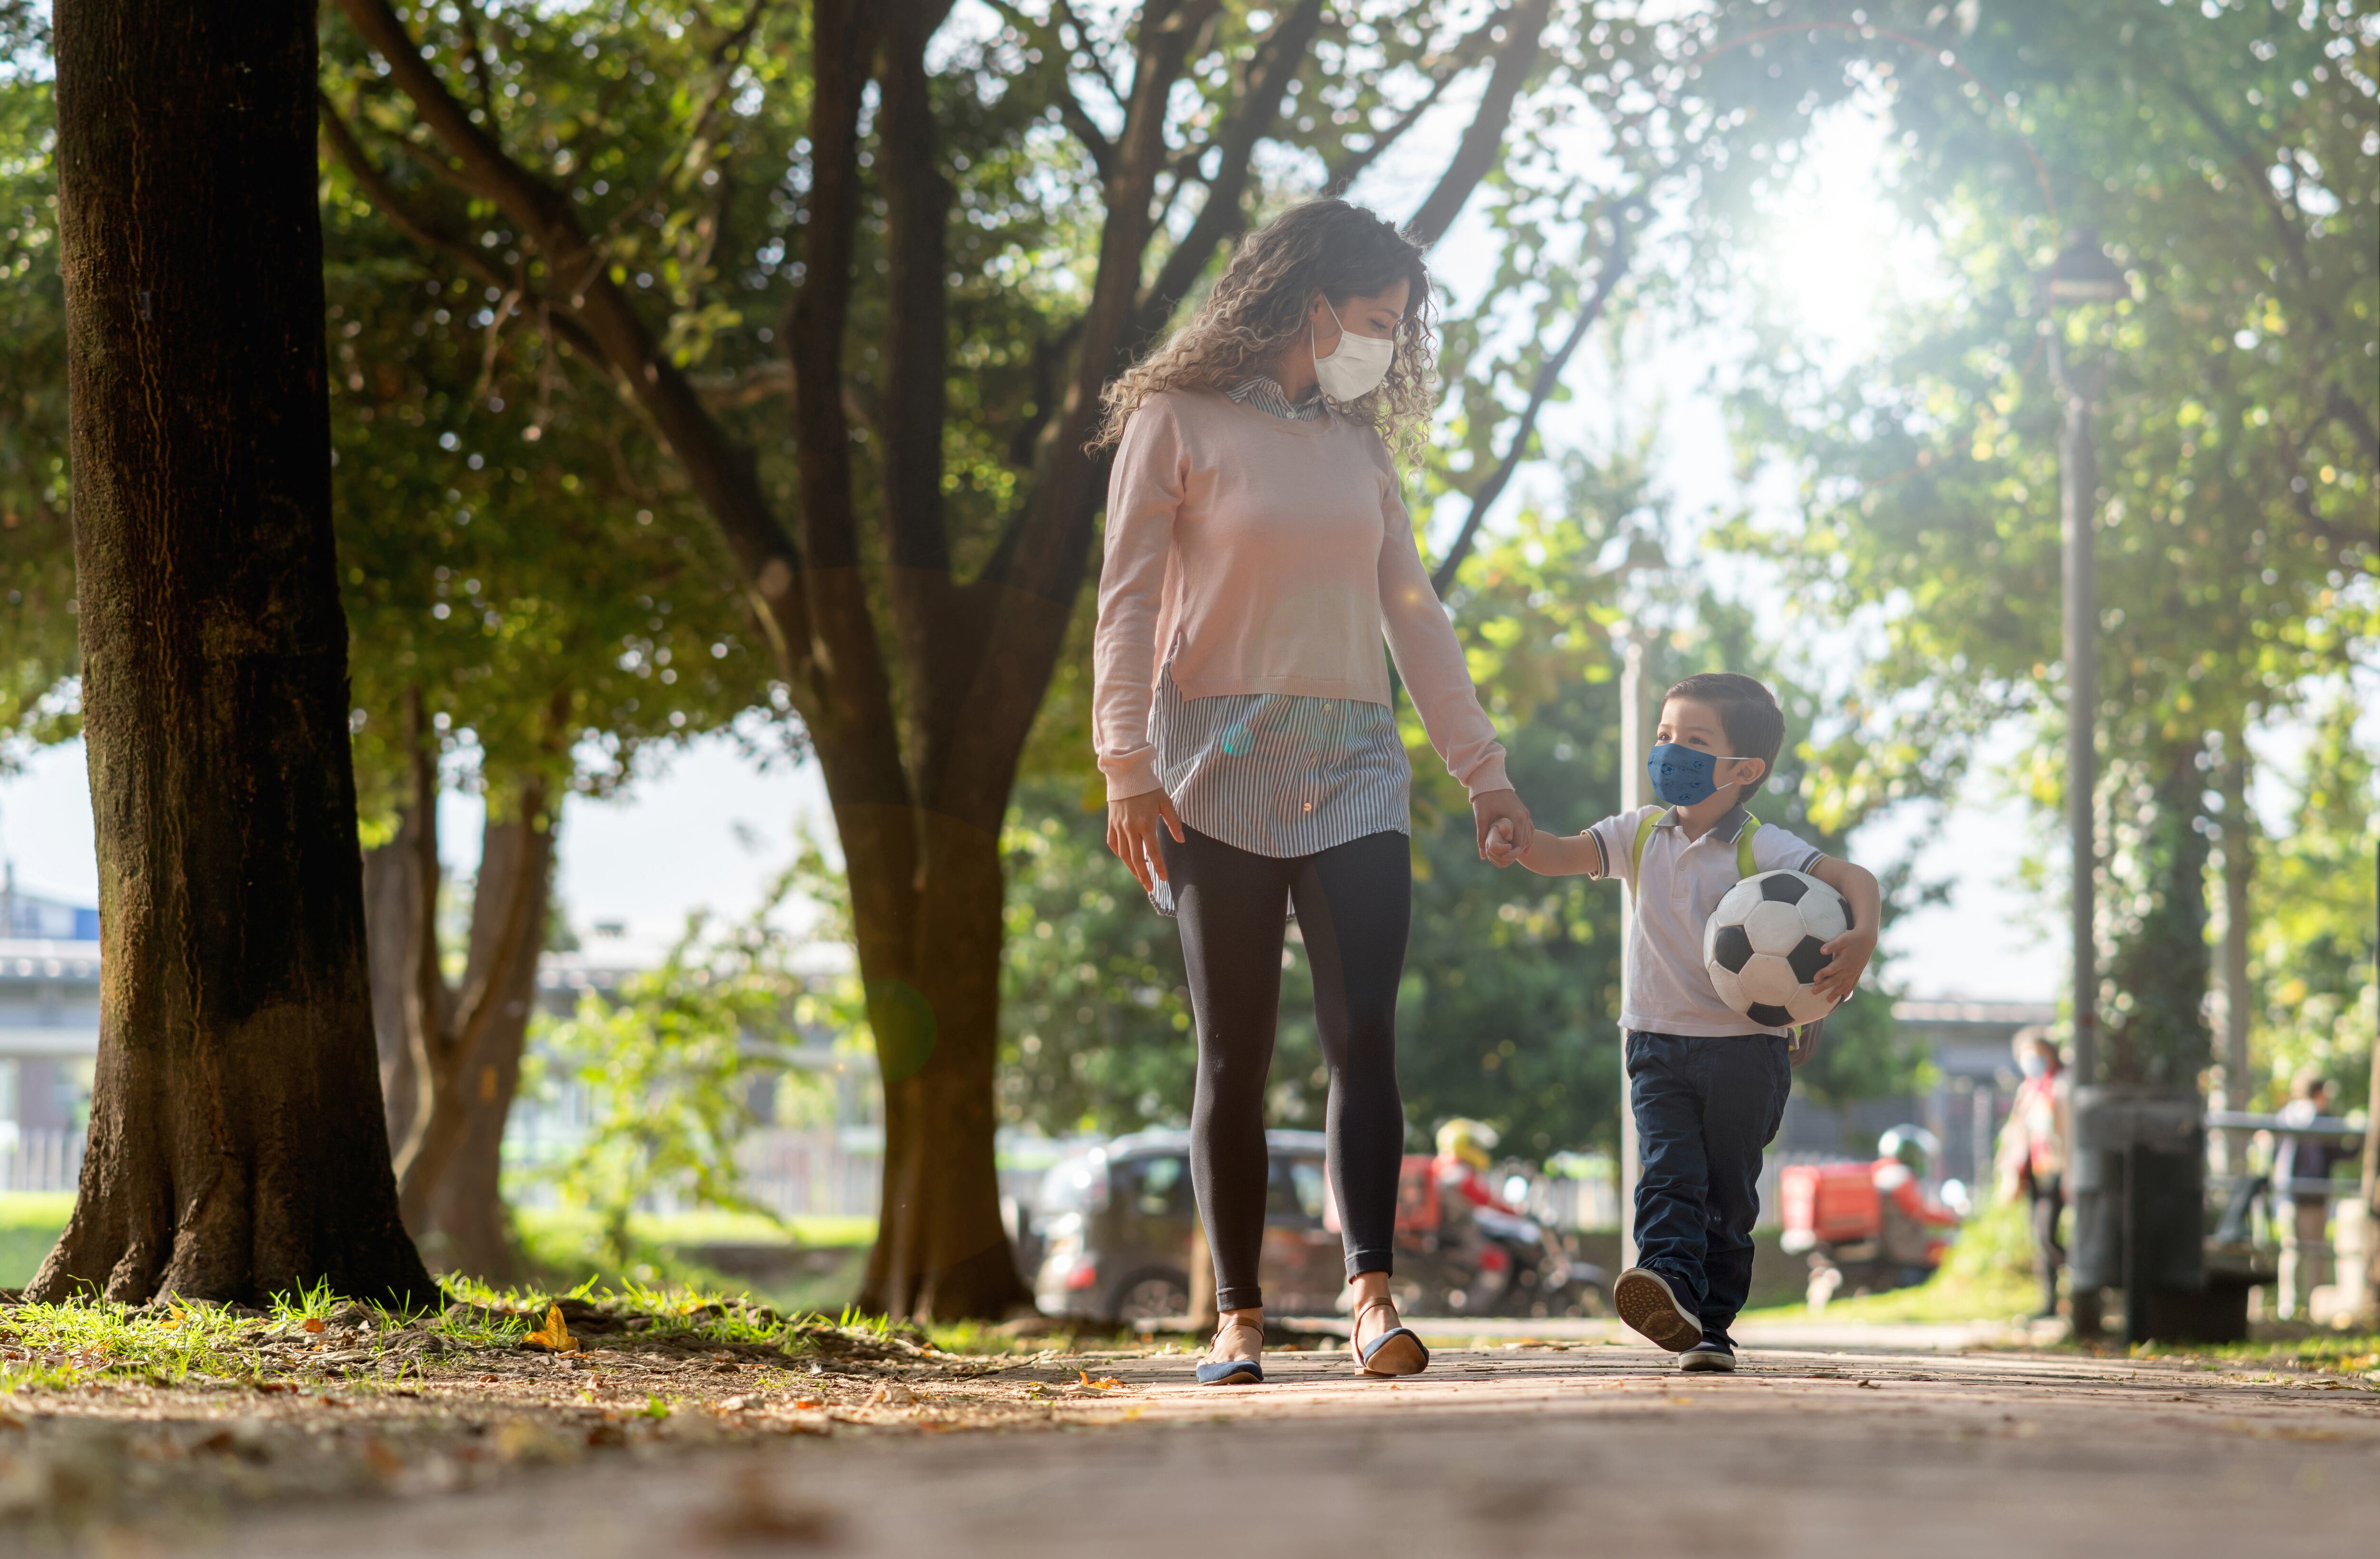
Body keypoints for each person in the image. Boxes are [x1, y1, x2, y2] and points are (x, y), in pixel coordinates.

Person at [1091, 199, 1535, 1386]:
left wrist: (1482, 771)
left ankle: (1370, 1296)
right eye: (1377, 318)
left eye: (1399, 324)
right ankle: (1235, 1316)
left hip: (1353, 763)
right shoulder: (1172, 419)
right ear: (1314, 301)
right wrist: (1123, 761)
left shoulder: (1357, 448)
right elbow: (1129, 600)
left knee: (1362, 1034)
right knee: (1232, 1053)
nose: (1386, 344)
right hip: (1210, 764)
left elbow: (1414, 615)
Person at [1502, 673, 1880, 1371]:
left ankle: (1711, 1326)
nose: (1671, 751)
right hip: (1654, 1040)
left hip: (1747, 1050)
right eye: (1664, 736)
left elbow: (1854, 876)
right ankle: (1669, 1282)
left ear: (1744, 770)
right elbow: (1559, 852)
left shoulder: (1762, 847)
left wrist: (1864, 931)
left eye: (1695, 741)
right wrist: (1518, 836)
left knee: (1728, 1190)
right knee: (1670, 1172)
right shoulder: (1639, 831)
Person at [1994, 1027, 2071, 1320]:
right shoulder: (2028, 1090)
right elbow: (2017, 1133)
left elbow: (2067, 1134)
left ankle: (2084, 1285)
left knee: (2048, 1236)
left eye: (2038, 1054)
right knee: (2041, 1239)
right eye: (2026, 1055)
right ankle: (2050, 1303)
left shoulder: (2061, 1086)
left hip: (2057, 1172)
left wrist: (2070, 1176)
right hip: (2034, 1174)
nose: (2032, 1061)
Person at [2272, 1069, 2350, 1320]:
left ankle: (2289, 1305)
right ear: (2319, 1092)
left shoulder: (2286, 1115)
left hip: (2286, 1194)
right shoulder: (2319, 1118)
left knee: (2292, 1250)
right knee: (2315, 1251)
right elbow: (2335, 1153)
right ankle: (2313, 1307)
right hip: (2312, 1197)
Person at [1872, 1125, 1961, 1289]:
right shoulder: (1900, 1177)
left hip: (1891, 1249)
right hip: (1905, 1255)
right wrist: (1955, 1219)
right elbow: (1920, 1213)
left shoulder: (1882, 1173)